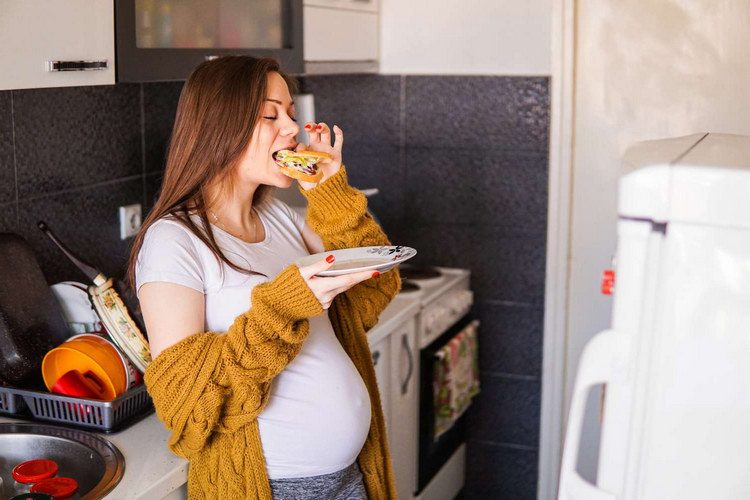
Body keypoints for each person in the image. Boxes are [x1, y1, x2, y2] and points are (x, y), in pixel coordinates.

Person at [126, 55, 400, 499]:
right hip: (270, 487)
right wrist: (282, 305)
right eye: (270, 115)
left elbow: (373, 291)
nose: (292, 128)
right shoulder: (173, 241)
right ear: (221, 128)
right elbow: (182, 403)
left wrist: (329, 193)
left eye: (290, 113)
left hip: (348, 478)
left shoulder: (281, 217)